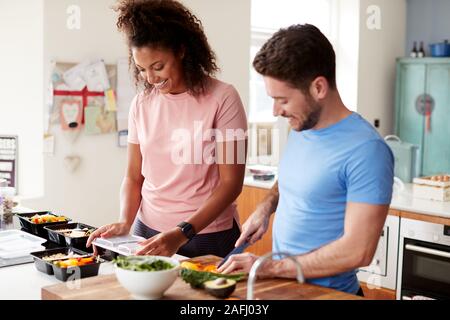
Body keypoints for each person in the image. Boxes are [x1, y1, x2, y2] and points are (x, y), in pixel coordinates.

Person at [219, 24, 394, 296]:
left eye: (282, 100)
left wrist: (268, 267)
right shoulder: (302, 127)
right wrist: (265, 207)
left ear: (318, 87)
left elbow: (359, 250)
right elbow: (294, 177)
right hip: (285, 289)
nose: (276, 111)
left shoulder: (367, 150)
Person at [87, 0, 247, 258]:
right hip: (145, 230)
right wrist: (125, 221)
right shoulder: (142, 103)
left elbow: (231, 184)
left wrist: (182, 231)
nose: (150, 78)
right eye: (142, 69)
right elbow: (133, 176)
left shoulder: (224, 98)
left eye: (158, 67)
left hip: (205, 235)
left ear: (182, 51)